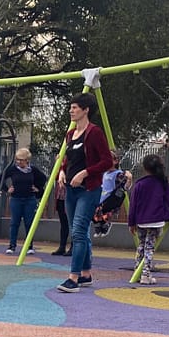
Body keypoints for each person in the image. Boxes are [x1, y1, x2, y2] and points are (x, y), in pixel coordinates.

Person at [56, 93, 111, 293]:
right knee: (78, 232)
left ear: (86, 110)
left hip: (88, 189)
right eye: (70, 107)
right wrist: (62, 171)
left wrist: (86, 173)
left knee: (79, 232)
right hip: (71, 189)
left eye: (75, 107)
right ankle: (86, 274)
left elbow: (106, 161)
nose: (71, 110)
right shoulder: (70, 134)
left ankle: (73, 277)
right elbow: (67, 158)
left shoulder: (94, 133)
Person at [128, 154, 169, 286]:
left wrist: (131, 223)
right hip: (156, 220)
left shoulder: (139, 184)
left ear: (144, 167)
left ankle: (137, 271)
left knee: (141, 246)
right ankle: (145, 274)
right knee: (149, 247)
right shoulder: (162, 182)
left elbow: (133, 205)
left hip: (141, 220)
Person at [1, 148, 47, 254]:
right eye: (17, 159)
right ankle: (12, 246)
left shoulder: (33, 170)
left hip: (29, 199)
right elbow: (0, 178)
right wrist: (7, 189)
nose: (19, 162)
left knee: (29, 223)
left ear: (27, 160)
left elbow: (43, 178)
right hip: (16, 199)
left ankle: (29, 246)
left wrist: (37, 189)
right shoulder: (12, 169)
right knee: (14, 222)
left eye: (21, 160)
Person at [92, 150, 129, 237]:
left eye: (108, 160)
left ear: (115, 161)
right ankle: (100, 228)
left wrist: (129, 180)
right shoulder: (104, 173)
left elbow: (124, 187)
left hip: (111, 199)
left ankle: (105, 225)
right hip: (102, 196)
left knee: (103, 213)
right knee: (93, 213)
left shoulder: (118, 174)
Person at [51, 178, 71, 256]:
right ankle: (62, 247)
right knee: (63, 224)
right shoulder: (60, 168)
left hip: (70, 197)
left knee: (73, 223)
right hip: (60, 198)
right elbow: (55, 177)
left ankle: (73, 247)